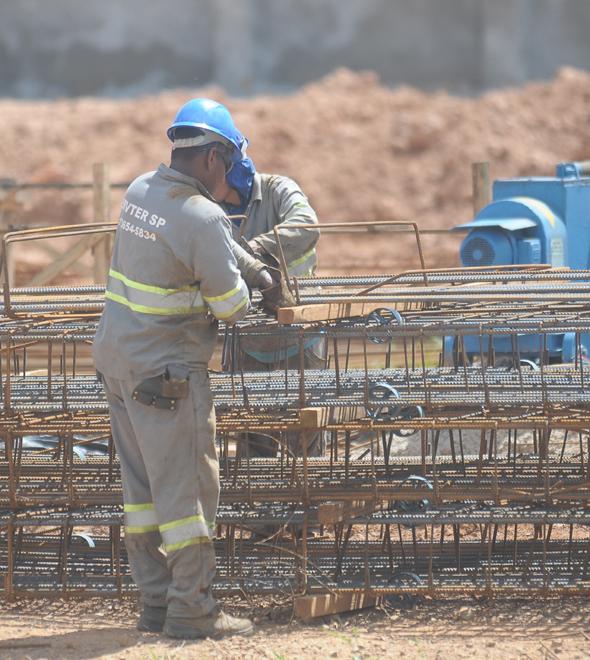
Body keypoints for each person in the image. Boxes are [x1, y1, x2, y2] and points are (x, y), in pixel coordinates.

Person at [93, 98, 275, 640]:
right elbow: (231, 306)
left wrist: (253, 266)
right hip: (167, 376)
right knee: (189, 496)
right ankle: (193, 610)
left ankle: (155, 605)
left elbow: (204, 242)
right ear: (215, 158)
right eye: (232, 161)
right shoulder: (203, 215)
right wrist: (259, 289)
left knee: (144, 494)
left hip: (120, 365)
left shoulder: (141, 191)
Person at [221, 157, 325, 457]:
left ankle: (309, 498)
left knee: (304, 439)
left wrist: (253, 250)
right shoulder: (209, 206)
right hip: (248, 339)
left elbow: (306, 225)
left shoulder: (278, 189)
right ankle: (255, 503)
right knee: (254, 442)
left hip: (299, 336)